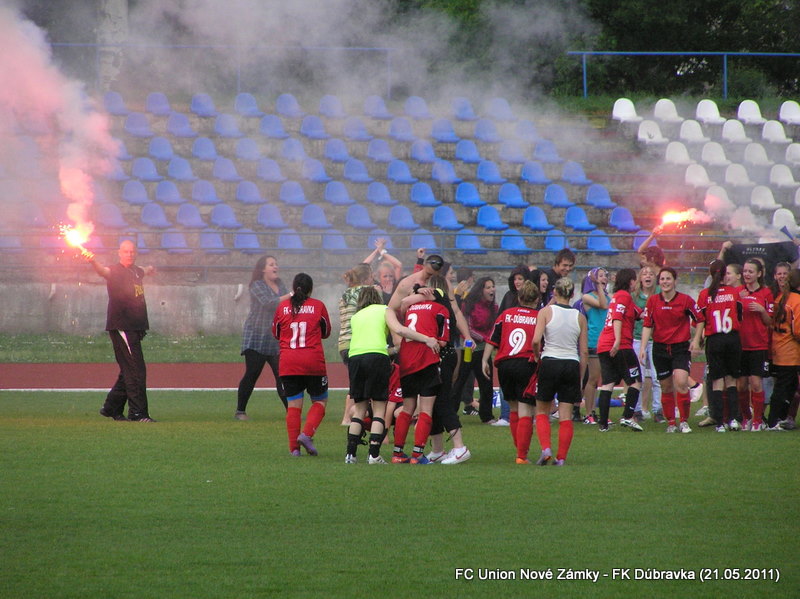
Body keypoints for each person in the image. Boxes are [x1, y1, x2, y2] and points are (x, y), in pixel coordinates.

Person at [344, 286, 440, 464]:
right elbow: (400, 330)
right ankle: (374, 455)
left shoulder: (356, 317)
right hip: (377, 358)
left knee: (359, 409)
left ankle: (351, 454)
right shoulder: (384, 310)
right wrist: (426, 339)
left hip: (354, 358)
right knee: (379, 408)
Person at [399, 276, 472, 465]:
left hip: (441, 355)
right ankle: (438, 449)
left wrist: (416, 294)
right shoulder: (441, 302)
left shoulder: (436, 295)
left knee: (442, 401)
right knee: (432, 404)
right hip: (439, 354)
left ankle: (459, 447)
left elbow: (404, 302)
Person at [83, 240, 155, 422]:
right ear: (119, 253)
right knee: (136, 371)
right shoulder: (115, 271)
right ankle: (138, 413)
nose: (129, 254)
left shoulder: (137, 271)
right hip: (123, 327)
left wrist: (150, 268)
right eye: (126, 251)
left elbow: (144, 271)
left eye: (132, 251)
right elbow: (102, 271)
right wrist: (92, 261)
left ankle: (111, 408)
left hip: (135, 327)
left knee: (128, 370)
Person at [390, 280, 456, 464]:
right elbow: (443, 341)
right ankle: (418, 454)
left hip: (406, 360)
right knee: (426, 409)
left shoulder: (410, 309)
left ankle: (397, 453)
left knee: (407, 408)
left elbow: (403, 310)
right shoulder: (441, 310)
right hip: (426, 360)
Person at [531, 277, 588, 466]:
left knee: (542, 410)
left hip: (550, 361)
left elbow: (536, 340)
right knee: (565, 414)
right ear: (572, 295)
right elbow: (584, 351)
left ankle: (546, 448)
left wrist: (537, 356)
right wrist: (580, 377)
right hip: (571, 363)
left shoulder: (545, 312)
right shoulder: (580, 317)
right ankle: (561, 457)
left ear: (554, 292)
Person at [273, 273, 331, 457]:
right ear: (310, 289)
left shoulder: (282, 307)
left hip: (289, 362)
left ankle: (294, 450)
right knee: (320, 401)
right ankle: (306, 435)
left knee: (293, 406)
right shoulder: (318, 306)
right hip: (312, 361)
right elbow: (326, 332)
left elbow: (276, 332)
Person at [482, 280, 541, 463]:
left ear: (518, 296)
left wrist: (485, 360)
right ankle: (521, 455)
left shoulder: (506, 314)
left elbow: (493, 339)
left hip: (505, 365)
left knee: (514, 409)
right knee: (526, 410)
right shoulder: (540, 317)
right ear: (537, 298)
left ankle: (520, 451)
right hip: (526, 363)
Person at [639, 267, 699, 433]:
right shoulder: (652, 301)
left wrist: (696, 339)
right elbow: (647, 325)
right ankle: (671, 422)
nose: (665, 282)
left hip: (680, 348)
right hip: (660, 349)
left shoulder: (685, 300)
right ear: (659, 282)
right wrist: (643, 348)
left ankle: (684, 421)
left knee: (681, 382)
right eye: (663, 279)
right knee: (665, 387)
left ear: (675, 281)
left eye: (668, 279)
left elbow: (700, 319)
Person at [235, 255, 291, 420]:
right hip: (256, 336)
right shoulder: (256, 285)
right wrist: (292, 295)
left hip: (275, 337)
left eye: (276, 263)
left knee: (282, 375)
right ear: (263, 269)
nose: (276, 267)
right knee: (252, 373)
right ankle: (240, 411)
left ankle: (292, 412)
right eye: (271, 264)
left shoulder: (280, 284)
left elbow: (286, 305)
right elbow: (269, 303)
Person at [691, 260, 743, 432]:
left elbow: (699, 320)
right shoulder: (734, 292)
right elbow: (739, 316)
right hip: (732, 338)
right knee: (731, 380)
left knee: (717, 382)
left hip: (715, 340)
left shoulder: (706, 294)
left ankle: (719, 422)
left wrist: (698, 339)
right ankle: (734, 420)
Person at [595, 268, 644, 432]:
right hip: (619, 344)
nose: (637, 283)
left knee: (607, 383)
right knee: (635, 381)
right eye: (635, 280)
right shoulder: (624, 296)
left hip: (603, 345)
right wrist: (617, 341)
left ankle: (603, 424)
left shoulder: (617, 297)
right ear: (630, 281)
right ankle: (628, 417)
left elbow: (639, 314)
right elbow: (617, 317)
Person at [450, 277, 498, 424]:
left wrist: (489, 341)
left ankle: (487, 416)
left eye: (493, 287)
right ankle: (451, 414)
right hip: (468, 349)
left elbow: (494, 328)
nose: (492, 290)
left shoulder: (493, 307)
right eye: (488, 287)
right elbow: (467, 328)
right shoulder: (469, 304)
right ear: (481, 290)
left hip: (484, 350)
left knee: (486, 383)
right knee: (460, 381)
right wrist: (486, 338)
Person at [734, 259, 773, 431]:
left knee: (756, 383)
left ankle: (757, 420)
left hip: (758, 345)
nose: (747, 274)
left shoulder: (766, 293)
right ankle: (746, 418)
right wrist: (737, 302)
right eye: (745, 271)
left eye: (751, 271)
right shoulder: (737, 292)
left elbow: (769, 322)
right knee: (741, 385)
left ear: (759, 273)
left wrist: (762, 310)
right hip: (740, 345)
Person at [338, 262, 374, 425]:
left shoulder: (345, 293)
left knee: (356, 380)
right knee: (359, 382)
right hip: (357, 342)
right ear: (366, 279)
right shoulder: (364, 292)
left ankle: (351, 416)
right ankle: (349, 417)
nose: (374, 280)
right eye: (372, 277)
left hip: (343, 343)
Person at [767, 268, 800, 429]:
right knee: (785, 387)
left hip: (777, 347)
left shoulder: (780, 297)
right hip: (790, 350)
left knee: (785, 385)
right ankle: (775, 420)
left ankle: (780, 418)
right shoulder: (795, 300)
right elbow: (798, 330)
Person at [632, 264, 664, 423]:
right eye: (644, 273)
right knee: (639, 377)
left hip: (656, 339)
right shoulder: (634, 295)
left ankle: (658, 409)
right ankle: (637, 409)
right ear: (640, 278)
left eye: (651, 273)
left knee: (657, 376)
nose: (648, 276)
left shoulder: (660, 294)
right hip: (638, 338)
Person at [580, 267, 609, 425]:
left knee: (605, 380)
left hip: (606, 341)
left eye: (605, 276)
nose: (603, 278)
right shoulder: (587, 297)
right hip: (594, 341)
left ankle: (599, 412)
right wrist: (598, 285)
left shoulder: (607, 297)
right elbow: (603, 305)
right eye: (600, 276)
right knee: (593, 379)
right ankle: (588, 412)